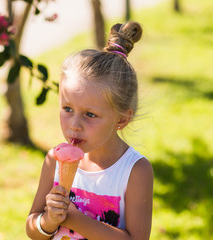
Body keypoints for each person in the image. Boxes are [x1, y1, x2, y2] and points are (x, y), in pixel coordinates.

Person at [26, 21, 153, 240]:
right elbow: (32, 228)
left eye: (90, 114)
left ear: (122, 119)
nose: (74, 124)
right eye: (67, 109)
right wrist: (48, 220)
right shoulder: (54, 161)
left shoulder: (134, 171)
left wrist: (74, 219)